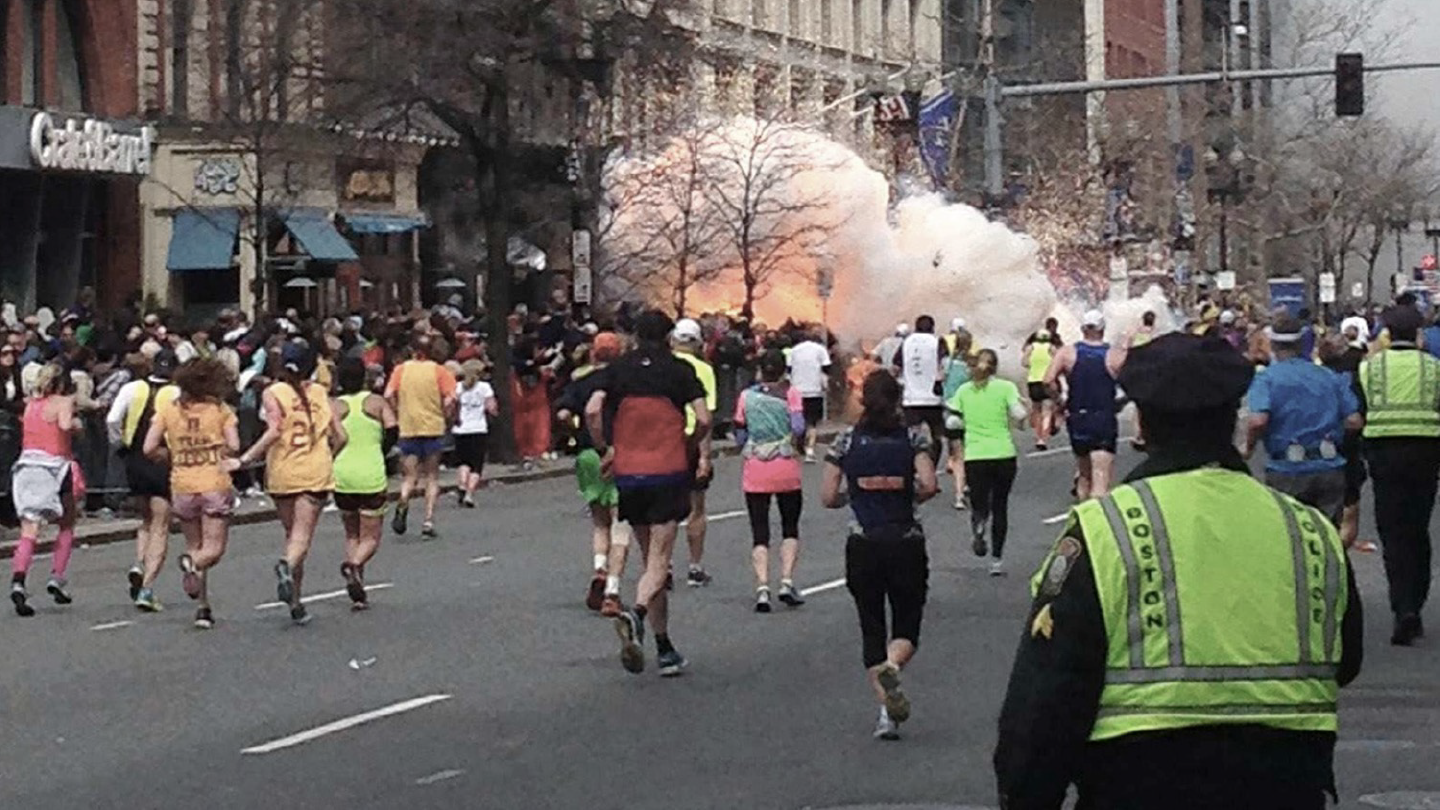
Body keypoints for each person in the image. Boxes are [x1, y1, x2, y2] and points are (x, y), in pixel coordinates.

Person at [994, 332, 1363, 810]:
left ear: (1144, 424)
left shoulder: (1106, 528)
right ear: (1232, 416)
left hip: (1140, 782)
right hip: (1287, 783)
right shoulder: (1309, 529)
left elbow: (1047, 694)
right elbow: (1346, 659)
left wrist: (1026, 795)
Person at [585, 310, 711, 678]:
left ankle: (664, 646)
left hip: (629, 473)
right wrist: (689, 444)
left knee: (648, 559)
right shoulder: (679, 370)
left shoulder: (618, 370)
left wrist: (606, 448)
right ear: (669, 337)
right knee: (660, 562)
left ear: (636, 337)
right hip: (668, 470)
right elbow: (704, 418)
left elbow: (592, 409)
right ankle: (637, 614)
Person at [821, 370, 938, 740]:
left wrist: (854, 495)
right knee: (906, 625)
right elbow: (929, 484)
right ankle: (893, 665)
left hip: (863, 543)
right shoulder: (913, 438)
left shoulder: (845, 441)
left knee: (871, 626)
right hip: (905, 540)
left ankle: (886, 714)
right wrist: (906, 493)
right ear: (898, 400)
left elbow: (827, 496)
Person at [231, 342, 346, 626]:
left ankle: (296, 601)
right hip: (314, 471)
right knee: (301, 537)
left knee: (291, 535)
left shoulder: (273, 392)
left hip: (282, 471)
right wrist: (329, 455)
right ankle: (287, 567)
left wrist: (245, 459)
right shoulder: (320, 392)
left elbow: (274, 431)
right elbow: (342, 436)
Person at [1357, 304, 1440, 646]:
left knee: (1392, 533)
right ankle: (1414, 603)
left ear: (1387, 334)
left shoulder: (1370, 367)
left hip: (1384, 455)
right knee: (1418, 530)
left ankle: (1401, 605)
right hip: (1425, 453)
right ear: (1419, 334)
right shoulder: (1434, 368)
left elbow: (1359, 411)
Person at [142, 358, 239, 630]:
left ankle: (203, 607)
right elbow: (234, 445)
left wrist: (171, 454)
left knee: (195, 544)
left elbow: (149, 448)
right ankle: (191, 564)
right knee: (213, 549)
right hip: (213, 481)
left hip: (182, 484)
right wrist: (218, 451)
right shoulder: (220, 410)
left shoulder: (168, 410)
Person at [1244, 314, 1362, 527]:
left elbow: (1258, 421)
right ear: (1301, 344)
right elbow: (1354, 421)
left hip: (1287, 469)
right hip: (1329, 465)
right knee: (1328, 533)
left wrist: (1248, 448)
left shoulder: (1266, 379)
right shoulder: (1328, 376)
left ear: (1273, 345)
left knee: (1291, 534)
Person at [557, 332, 631, 616]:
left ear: (594, 353)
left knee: (600, 522)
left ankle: (599, 567)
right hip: (619, 452)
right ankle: (612, 590)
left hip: (587, 454)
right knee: (620, 522)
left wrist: (576, 433)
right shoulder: (624, 382)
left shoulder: (581, 381)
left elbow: (563, 413)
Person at [106, 350, 179, 612]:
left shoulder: (132, 388)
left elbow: (112, 419)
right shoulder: (177, 393)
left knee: (145, 518)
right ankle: (147, 587)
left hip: (134, 459)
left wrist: (119, 444)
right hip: (162, 459)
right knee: (161, 524)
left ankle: (139, 562)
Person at [9, 364, 84, 617]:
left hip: (27, 465)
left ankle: (19, 579)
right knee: (67, 522)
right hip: (55, 466)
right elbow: (64, 425)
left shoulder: (31, 405)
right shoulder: (63, 402)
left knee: (29, 528)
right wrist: (76, 424)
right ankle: (57, 576)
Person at [734, 350, 806, 612]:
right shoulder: (790, 394)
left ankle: (762, 587)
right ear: (783, 370)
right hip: (785, 466)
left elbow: (739, 429)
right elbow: (798, 427)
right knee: (790, 526)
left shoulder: (746, 396)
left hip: (756, 467)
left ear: (760, 371)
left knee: (759, 530)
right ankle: (786, 581)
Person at [948, 349, 1026, 576]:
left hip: (976, 455)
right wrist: (1020, 421)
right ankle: (996, 561)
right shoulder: (1006, 387)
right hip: (1003, 454)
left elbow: (952, 421)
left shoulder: (964, 391)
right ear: (995, 367)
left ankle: (979, 524)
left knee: (979, 502)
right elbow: (1019, 414)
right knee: (1000, 506)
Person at [332, 357, 397, 611]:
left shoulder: (334, 406)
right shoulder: (376, 402)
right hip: (370, 473)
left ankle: (358, 590)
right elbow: (393, 430)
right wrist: (381, 449)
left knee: (352, 533)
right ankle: (354, 565)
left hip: (342, 475)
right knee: (370, 537)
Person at [1045, 310, 1125, 501]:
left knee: (1083, 474)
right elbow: (1133, 384)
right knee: (1100, 476)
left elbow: (1048, 380)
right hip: (1104, 417)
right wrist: (1121, 402)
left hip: (1078, 416)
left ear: (1082, 329)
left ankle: (1082, 510)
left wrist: (1059, 400)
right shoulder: (1115, 355)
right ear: (1103, 329)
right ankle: (1096, 515)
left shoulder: (1067, 353)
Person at [385, 334, 457, 539]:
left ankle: (403, 499)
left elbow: (388, 394)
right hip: (433, 428)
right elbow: (451, 399)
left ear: (412, 350)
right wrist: (446, 415)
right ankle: (428, 520)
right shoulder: (439, 371)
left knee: (409, 476)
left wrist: (398, 410)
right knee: (432, 476)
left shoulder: (401, 370)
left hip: (408, 427)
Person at [672, 318, 717, 588]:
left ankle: (662, 564)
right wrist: (705, 456)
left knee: (663, 508)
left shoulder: (664, 365)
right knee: (697, 507)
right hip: (692, 440)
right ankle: (695, 566)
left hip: (666, 441)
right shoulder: (704, 370)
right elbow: (705, 417)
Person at [896, 315, 948, 465]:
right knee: (937, 435)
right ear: (932, 327)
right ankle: (933, 465)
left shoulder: (906, 342)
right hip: (933, 398)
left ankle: (912, 465)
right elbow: (945, 365)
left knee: (911, 435)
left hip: (911, 398)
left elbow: (896, 366)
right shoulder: (937, 341)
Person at [453, 359, 497, 508]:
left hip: (461, 429)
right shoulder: (485, 387)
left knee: (463, 461)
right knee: (476, 465)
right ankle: (469, 494)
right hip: (478, 429)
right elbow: (491, 407)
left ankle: (461, 484)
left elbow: (452, 405)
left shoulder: (458, 387)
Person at [786, 329, 832, 463]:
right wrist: (825, 383)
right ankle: (810, 450)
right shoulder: (820, 350)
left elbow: (788, 370)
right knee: (812, 422)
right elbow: (826, 368)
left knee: (796, 419)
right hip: (814, 390)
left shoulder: (793, 351)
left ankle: (796, 446)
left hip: (796, 390)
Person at [940, 330, 974, 510]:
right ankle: (968, 484)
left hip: (950, 413)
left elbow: (939, 381)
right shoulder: (972, 366)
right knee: (970, 453)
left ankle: (959, 495)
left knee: (958, 456)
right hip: (968, 414)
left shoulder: (947, 364)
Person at [1021, 318, 1060, 450]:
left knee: (1037, 410)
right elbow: (1057, 362)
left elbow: (1024, 362)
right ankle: (1044, 438)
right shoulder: (1051, 348)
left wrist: (1034, 365)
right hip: (1047, 381)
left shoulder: (1031, 348)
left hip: (1033, 381)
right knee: (1047, 411)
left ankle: (1038, 437)